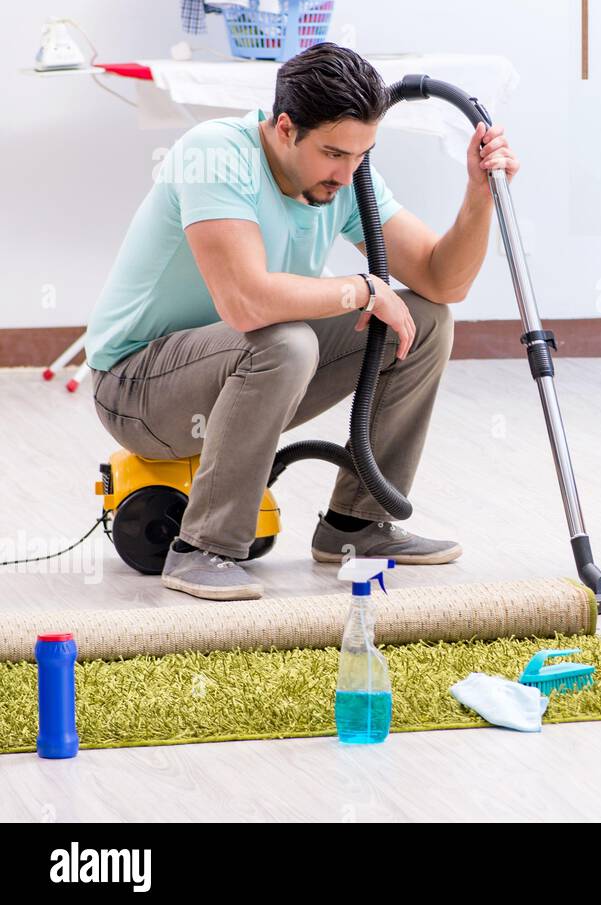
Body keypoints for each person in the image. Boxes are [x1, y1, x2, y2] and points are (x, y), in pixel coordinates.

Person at [84, 43, 519, 601]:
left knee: (425, 318)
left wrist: (478, 197)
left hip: (238, 368)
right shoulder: (216, 154)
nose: (348, 171)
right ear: (285, 128)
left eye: (362, 154)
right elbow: (246, 303)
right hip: (135, 387)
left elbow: (443, 280)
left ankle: (356, 526)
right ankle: (203, 548)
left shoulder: (345, 175)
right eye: (334, 153)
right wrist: (362, 289)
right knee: (284, 341)